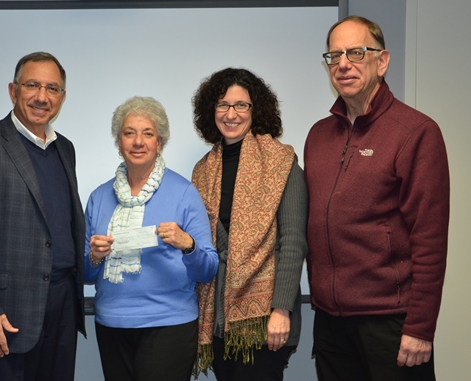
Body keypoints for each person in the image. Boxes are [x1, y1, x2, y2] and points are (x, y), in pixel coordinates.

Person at [305, 16, 449, 381]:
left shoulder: (416, 132)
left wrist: (420, 327)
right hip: (330, 324)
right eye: (334, 55)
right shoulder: (318, 136)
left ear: (382, 61)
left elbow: (430, 239)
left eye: (356, 52)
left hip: (391, 322)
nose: (343, 64)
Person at [0, 52, 86, 381]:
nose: (42, 97)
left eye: (52, 88)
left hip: (62, 306)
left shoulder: (65, 148)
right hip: (4, 313)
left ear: (63, 97)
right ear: (13, 91)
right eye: (32, 85)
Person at [85, 96, 218, 381]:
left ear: (160, 143)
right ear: (119, 142)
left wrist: (188, 245)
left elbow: (208, 268)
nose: (138, 142)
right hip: (111, 323)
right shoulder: (98, 197)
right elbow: (85, 272)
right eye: (129, 133)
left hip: (168, 325)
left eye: (148, 134)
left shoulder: (184, 193)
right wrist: (94, 256)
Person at [190, 68, 308, 380]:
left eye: (241, 105)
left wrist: (281, 310)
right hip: (218, 320)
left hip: (265, 319)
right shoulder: (202, 171)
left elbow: (293, 243)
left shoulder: (282, 163)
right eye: (223, 105)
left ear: (257, 110)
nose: (231, 114)